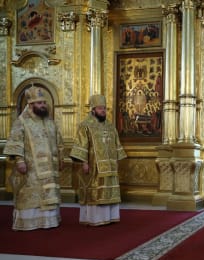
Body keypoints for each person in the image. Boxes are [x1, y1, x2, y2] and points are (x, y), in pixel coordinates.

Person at [3, 85, 64, 231]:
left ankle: (48, 221)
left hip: (50, 166)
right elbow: (15, 142)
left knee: (49, 192)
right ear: (30, 104)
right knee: (31, 193)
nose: (43, 105)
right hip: (31, 167)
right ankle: (29, 223)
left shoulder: (49, 121)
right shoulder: (22, 121)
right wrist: (19, 160)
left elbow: (59, 141)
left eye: (43, 102)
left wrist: (61, 159)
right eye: (39, 103)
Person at [70, 94, 127, 226]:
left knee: (109, 191)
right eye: (100, 108)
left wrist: (117, 160)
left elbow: (116, 144)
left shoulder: (110, 126)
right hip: (94, 166)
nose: (103, 111)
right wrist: (84, 163)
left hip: (111, 166)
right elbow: (81, 145)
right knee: (96, 192)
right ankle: (95, 218)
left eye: (104, 108)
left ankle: (110, 217)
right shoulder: (85, 125)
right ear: (93, 109)